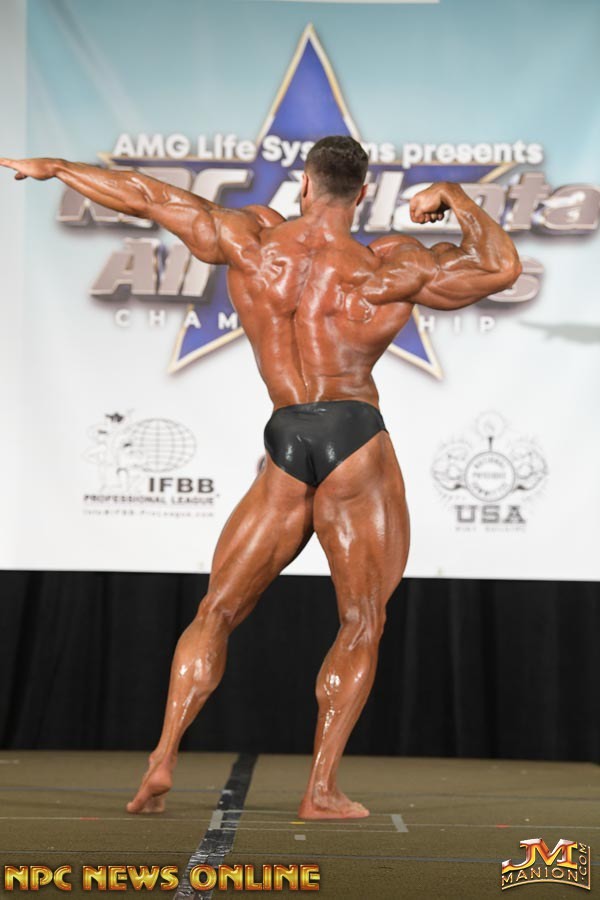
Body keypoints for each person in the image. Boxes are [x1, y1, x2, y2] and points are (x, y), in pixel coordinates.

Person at [0, 138, 521, 818]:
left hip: (287, 435)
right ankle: (320, 790)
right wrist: (452, 196)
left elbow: (147, 195)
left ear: (305, 184)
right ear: (362, 193)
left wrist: (56, 168)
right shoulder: (386, 265)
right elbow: (501, 267)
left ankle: (162, 758)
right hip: (354, 434)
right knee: (362, 620)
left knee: (215, 611)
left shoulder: (251, 240)